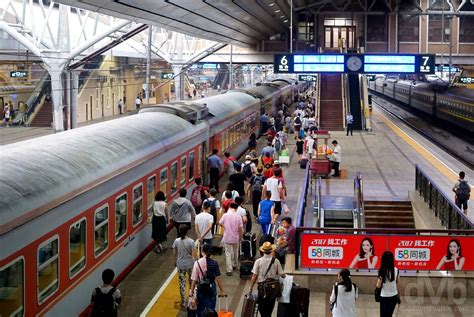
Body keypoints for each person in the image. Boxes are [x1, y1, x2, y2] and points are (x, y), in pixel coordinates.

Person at [249, 242, 286, 317]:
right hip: (273, 289)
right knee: (269, 309)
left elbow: (254, 276)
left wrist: (251, 288)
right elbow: (282, 274)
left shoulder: (258, 261)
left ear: (262, 251)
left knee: (262, 309)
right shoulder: (276, 261)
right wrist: (285, 276)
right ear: (271, 251)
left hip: (262, 288)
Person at [189, 243, 225, 316]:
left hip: (201, 288)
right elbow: (218, 278)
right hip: (211, 287)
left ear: (202, 252)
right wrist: (222, 290)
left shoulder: (197, 263)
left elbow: (194, 279)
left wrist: (191, 291)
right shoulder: (214, 263)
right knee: (211, 309)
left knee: (200, 308)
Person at [173, 224, 195, 308]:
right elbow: (193, 253)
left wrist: (174, 262)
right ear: (187, 231)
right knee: (191, 282)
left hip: (181, 266)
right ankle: (191, 299)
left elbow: (174, 253)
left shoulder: (176, 241)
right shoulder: (191, 241)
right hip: (190, 265)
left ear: (179, 231)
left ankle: (183, 302)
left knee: (182, 283)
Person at [219, 202, 243, 276]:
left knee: (228, 253)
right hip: (236, 237)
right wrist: (241, 237)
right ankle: (235, 265)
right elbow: (241, 228)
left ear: (230, 207)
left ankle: (229, 270)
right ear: (236, 208)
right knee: (236, 251)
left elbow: (220, 223)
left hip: (227, 237)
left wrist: (225, 226)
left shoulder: (225, 215)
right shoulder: (238, 216)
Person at [376, 251, 400, 317]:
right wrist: (399, 296)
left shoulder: (382, 271)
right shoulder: (396, 270)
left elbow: (378, 285)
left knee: (383, 315)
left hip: (384, 296)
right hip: (394, 296)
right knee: (389, 314)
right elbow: (397, 284)